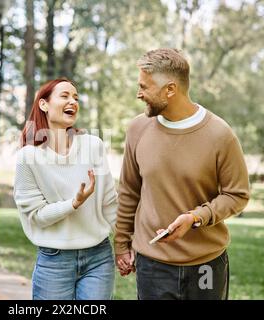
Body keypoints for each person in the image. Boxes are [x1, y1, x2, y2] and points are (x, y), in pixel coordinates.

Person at [114, 48, 250, 300]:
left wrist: (196, 217)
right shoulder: (137, 129)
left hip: (207, 263)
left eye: (145, 87)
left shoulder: (220, 134)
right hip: (153, 264)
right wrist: (121, 244)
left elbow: (237, 195)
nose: (138, 94)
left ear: (170, 89)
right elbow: (129, 190)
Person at [13, 78, 118, 300]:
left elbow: (109, 202)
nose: (73, 101)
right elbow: (36, 216)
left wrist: (125, 244)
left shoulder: (93, 145)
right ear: (44, 104)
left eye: (76, 97)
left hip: (98, 257)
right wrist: (74, 204)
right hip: (55, 261)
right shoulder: (28, 157)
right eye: (65, 96)